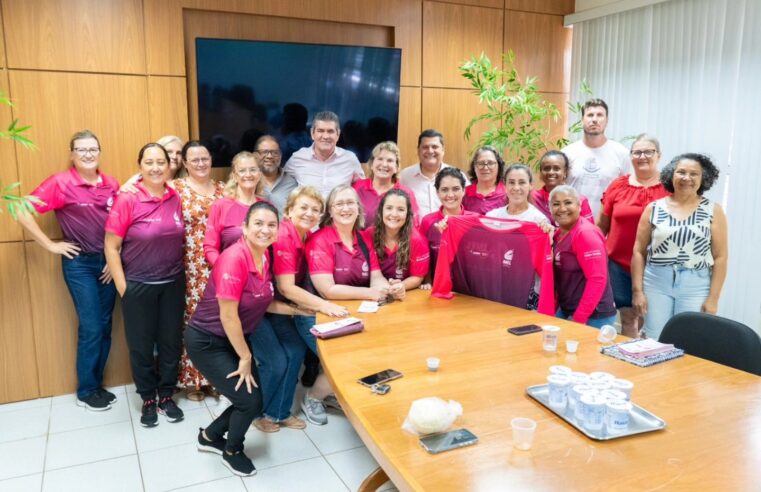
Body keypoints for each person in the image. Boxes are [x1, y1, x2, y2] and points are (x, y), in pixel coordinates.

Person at [186, 201, 310, 477]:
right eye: (258, 224)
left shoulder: (264, 257)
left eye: (271, 225)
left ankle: (209, 436)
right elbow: (228, 316)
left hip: (230, 339)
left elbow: (262, 302)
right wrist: (245, 357)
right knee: (249, 402)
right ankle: (232, 450)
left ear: (278, 230)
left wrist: (300, 310)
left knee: (252, 397)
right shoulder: (234, 257)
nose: (265, 230)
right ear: (244, 227)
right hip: (207, 341)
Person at [17, 130, 119, 411]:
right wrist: (50, 245)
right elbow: (22, 209)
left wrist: (115, 258)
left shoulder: (111, 184)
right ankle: (86, 391)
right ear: (72, 154)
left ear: (100, 152)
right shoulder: (60, 183)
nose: (88, 154)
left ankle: (97, 385)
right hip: (80, 265)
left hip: (108, 264)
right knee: (92, 326)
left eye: (93, 149)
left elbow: (121, 223)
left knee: (106, 325)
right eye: (81, 149)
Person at [104, 143, 186, 427]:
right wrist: (123, 287)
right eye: (149, 162)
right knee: (140, 347)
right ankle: (148, 399)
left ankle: (166, 395)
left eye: (161, 162)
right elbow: (111, 246)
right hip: (138, 285)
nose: (155, 167)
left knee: (170, 344)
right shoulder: (127, 199)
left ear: (169, 165)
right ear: (140, 166)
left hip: (173, 283)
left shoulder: (175, 196)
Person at [270, 186, 350, 426]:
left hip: (291, 305)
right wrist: (324, 305)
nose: (309, 213)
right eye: (303, 207)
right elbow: (286, 288)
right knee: (300, 353)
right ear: (289, 210)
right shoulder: (284, 235)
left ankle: (321, 395)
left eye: (315, 209)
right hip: (270, 306)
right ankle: (286, 409)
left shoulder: (308, 235)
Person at [631, 153, 727, 341]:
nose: (687, 178)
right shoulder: (653, 208)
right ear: (671, 175)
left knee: (691, 340)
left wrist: (713, 298)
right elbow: (638, 251)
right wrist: (637, 291)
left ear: (703, 178)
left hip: (696, 284)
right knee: (653, 339)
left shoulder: (713, 210)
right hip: (656, 281)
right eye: (681, 172)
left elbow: (721, 257)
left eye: (694, 174)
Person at [598, 134, 670, 337]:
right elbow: (602, 225)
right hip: (617, 265)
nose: (642, 156)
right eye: (637, 152)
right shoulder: (618, 185)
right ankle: (628, 358)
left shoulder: (670, 189)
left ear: (659, 155)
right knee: (628, 317)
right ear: (630, 156)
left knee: (651, 317)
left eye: (649, 151)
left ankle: (646, 354)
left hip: (655, 267)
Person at [173, 141, 226, 401]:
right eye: (194, 160)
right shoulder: (176, 188)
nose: (201, 163)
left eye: (204, 158)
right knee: (192, 321)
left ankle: (216, 377)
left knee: (218, 320)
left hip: (219, 264)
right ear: (184, 163)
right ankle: (194, 379)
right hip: (189, 265)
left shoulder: (223, 189)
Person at [306, 184, 399, 302]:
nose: (345, 209)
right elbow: (327, 290)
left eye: (350, 203)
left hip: (363, 308)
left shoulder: (365, 238)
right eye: (339, 204)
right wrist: (369, 293)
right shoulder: (319, 241)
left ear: (358, 208)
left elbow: (376, 276)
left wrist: (387, 289)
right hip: (328, 311)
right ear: (330, 211)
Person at [550, 185, 617, 328]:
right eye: (556, 204)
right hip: (568, 309)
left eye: (568, 202)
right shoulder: (557, 235)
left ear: (579, 206)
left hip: (594, 316)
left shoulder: (585, 234)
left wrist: (578, 319)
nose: (562, 208)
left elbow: (597, 279)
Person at [562, 99, 630, 218]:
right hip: (572, 225)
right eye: (590, 115)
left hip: (607, 226)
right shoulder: (567, 153)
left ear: (606, 121)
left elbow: (626, 193)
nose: (594, 119)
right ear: (582, 120)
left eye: (599, 115)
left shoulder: (621, 153)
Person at [283, 111, 365, 198]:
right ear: (312, 133)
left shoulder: (349, 159)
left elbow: (363, 190)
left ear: (338, 134)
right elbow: (282, 184)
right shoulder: (298, 158)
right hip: (309, 211)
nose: (325, 136)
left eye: (330, 131)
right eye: (320, 131)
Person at [204, 151, 264, 266]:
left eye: (253, 169)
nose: (248, 174)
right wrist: (224, 268)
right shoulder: (221, 206)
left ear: (259, 174)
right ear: (235, 176)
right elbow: (210, 247)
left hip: (261, 276)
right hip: (230, 275)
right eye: (242, 171)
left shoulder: (267, 207)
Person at [418, 167, 477, 283]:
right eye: (444, 190)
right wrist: (427, 280)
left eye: (455, 189)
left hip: (469, 287)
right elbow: (423, 255)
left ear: (464, 190)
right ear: (437, 192)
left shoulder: (474, 220)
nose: (450, 195)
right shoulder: (427, 221)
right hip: (437, 286)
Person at [365, 189, 429, 291]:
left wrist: (401, 286)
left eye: (400, 209)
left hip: (404, 294)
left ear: (408, 214)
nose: (394, 214)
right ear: (381, 210)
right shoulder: (369, 234)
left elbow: (417, 277)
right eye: (389, 208)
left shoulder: (417, 240)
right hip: (375, 291)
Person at [399, 129, 469, 217]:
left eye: (435, 147)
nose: (430, 151)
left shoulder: (457, 176)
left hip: (450, 229)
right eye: (425, 147)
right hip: (416, 230)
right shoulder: (405, 176)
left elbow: (468, 206)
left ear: (443, 150)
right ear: (418, 150)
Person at [352, 141, 419, 228]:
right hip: (360, 241)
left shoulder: (406, 193)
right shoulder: (356, 188)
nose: (384, 164)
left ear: (396, 167)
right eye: (380, 159)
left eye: (390, 160)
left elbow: (413, 227)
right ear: (371, 164)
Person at [532, 150, 594, 226]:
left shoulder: (579, 200)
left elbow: (588, 231)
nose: (551, 172)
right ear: (541, 172)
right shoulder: (532, 198)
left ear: (565, 172)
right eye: (547, 168)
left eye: (556, 168)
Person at [256, 135, 298, 215]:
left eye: (275, 152)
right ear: (255, 155)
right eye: (264, 152)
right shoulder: (249, 181)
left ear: (281, 156)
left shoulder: (292, 184)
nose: (269, 156)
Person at [462, 146, 506, 215]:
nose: (485, 167)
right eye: (481, 163)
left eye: (490, 163)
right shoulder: (463, 194)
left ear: (499, 165)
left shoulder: (507, 193)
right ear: (474, 167)